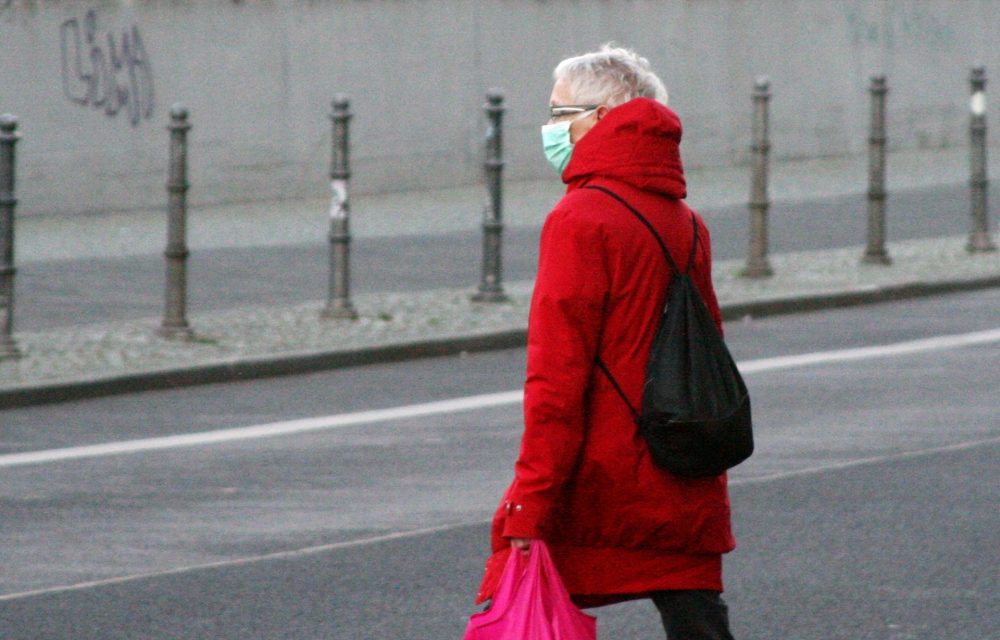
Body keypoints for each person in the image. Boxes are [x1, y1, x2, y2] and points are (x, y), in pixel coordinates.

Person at [475, 45, 738, 639]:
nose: (551, 129)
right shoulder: (686, 220)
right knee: (696, 619)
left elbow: (556, 378)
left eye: (560, 113)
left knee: (516, 614)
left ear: (603, 116)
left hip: (600, 480)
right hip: (680, 465)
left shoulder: (580, 219)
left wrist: (529, 500)